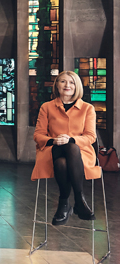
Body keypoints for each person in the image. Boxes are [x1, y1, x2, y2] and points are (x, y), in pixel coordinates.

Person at [31, 70, 101, 225]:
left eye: (71, 82)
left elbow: (91, 136)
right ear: (57, 85)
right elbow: (38, 135)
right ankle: (79, 201)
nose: (67, 85)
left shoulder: (87, 108)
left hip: (80, 152)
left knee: (65, 157)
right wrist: (54, 141)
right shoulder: (46, 107)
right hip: (53, 149)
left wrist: (71, 139)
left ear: (77, 87)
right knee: (65, 150)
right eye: (63, 81)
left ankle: (64, 203)